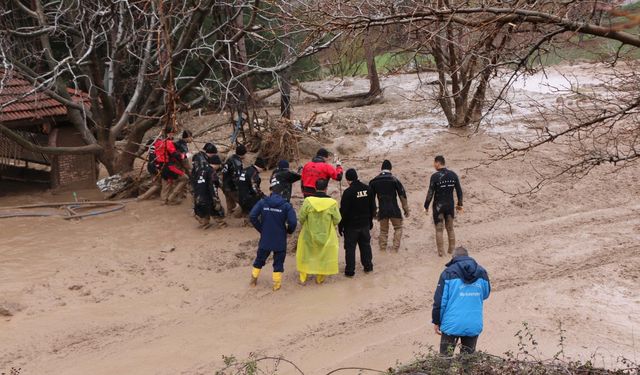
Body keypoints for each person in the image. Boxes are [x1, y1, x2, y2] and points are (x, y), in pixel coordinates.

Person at [432, 247, 490, 356]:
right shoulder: (482, 272)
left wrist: (436, 321)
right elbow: (485, 294)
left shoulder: (448, 273)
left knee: (445, 361)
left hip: (451, 324)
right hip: (473, 323)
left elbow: (440, 301)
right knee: (467, 363)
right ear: (467, 256)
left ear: (454, 257)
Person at [249, 183, 298, 291]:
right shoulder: (286, 205)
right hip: (280, 238)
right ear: (282, 193)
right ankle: (276, 285)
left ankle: (253, 280)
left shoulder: (263, 202)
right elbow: (293, 222)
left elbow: (252, 216)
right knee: (278, 263)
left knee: (259, 259)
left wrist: (261, 229)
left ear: (271, 191)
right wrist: (289, 231)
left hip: (265, 237)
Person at [296, 179, 342, 285]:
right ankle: (319, 279)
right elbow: (337, 219)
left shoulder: (308, 201)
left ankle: (303, 278)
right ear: (326, 189)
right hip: (326, 235)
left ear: (315, 188)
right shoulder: (332, 203)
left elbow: (301, 218)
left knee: (306, 254)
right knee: (323, 255)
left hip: (309, 234)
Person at [424, 155, 463, 257]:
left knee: (439, 229)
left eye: (434, 163)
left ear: (438, 163)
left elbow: (430, 193)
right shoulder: (453, 175)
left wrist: (426, 206)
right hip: (449, 205)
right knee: (450, 228)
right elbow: (459, 191)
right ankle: (452, 251)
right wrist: (460, 204)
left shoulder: (435, 176)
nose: (434, 165)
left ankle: (441, 253)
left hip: (438, 206)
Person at [338, 168, 375, 277]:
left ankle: (350, 271)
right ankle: (368, 267)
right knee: (366, 246)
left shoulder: (348, 192)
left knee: (350, 249)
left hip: (351, 226)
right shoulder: (368, 189)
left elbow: (343, 211)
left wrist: (341, 226)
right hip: (365, 224)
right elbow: (373, 207)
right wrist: (370, 221)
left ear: (348, 180)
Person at [369, 160, 410, 252]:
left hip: (382, 210)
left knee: (383, 230)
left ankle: (382, 249)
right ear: (390, 169)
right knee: (398, 228)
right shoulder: (394, 179)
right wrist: (406, 209)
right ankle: (395, 249)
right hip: (394, 209)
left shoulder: (374, 181)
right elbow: (402, 195)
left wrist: (373, 212)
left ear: (381, 169)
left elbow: (371, 198)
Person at [191, 154, 226, 229]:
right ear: (217, 164)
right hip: (207, 196)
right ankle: (221, 224)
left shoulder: (200, 169)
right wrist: (216, 199)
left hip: (198, 195)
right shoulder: (212, 172)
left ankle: (204, 223)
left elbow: (193, 181)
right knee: (215, 210)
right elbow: (213, 186)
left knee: (202, 209)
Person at [155, 128, 189, 205]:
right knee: (185, 178)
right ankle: (172, 197)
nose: (173, 135)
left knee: (166, 182)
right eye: (172, 134)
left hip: (160, 166)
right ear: (168, 134)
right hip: (168, 166)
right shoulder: (168, 143)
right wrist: (183, 156)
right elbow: (175, 154)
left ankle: (163, 201)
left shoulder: (157, 143)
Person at [221, 144, 247, 214]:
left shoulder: (230, 158)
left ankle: (230, 216)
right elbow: (236, 177)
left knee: (230, 203)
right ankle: (242, 216)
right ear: (243, 154)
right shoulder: (237, 163)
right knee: (244, 202)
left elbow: (223, 172)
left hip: (225, 185)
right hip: (232, 187)